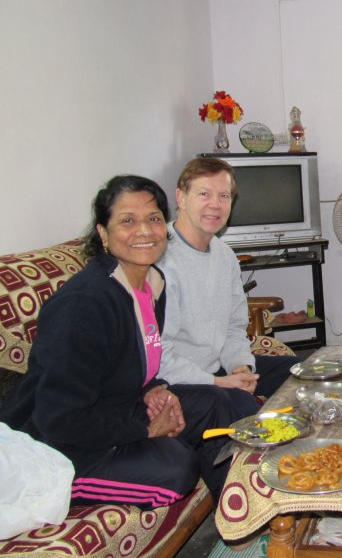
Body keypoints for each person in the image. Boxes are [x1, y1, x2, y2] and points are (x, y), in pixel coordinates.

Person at [0, 175, 239, 508]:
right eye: (127, 221)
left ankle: (235, 511)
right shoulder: (83, 306)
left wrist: (156, 389)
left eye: (153, 218)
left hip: (115, 410)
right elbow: (60, 417)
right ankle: (67, 487)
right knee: (176, 467)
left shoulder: (150, 283)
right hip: (57, 445)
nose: (144, 231)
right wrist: (144, 432)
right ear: (103, 233)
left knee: (217, 402)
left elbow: (134, 361)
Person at [157, 157, 301, 418]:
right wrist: (218, 383)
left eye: (224, 195)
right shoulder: (160, 260)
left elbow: (234, 327)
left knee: (303, 372)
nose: (215, 204)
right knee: (240, 406)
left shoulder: (225, 256)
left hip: (219, 368)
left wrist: (240, 367)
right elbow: (158, 357)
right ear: (181, 197)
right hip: (178, 381)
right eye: (204, 194)